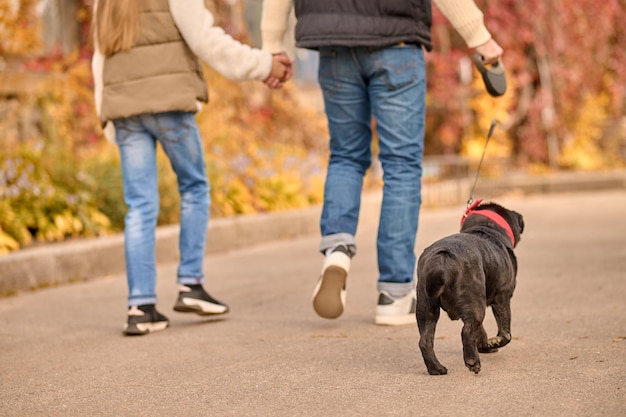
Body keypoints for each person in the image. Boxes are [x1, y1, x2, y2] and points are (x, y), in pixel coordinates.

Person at [261, 0, 503, 325]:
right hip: (396, 43)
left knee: (346, 156)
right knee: (401, 166)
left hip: (335, 46)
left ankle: (337, 249)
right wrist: (479, 36)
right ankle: (394, 292)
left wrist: (272, 46)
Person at [91, 0, 291, 335]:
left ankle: (140, 307)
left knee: (139, 206)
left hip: (124, 110)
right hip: (169, 104)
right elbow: (205, 40)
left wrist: (105, 115)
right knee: (194, 187)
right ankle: (190, 285)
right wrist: (262, 64)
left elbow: (99, 58)